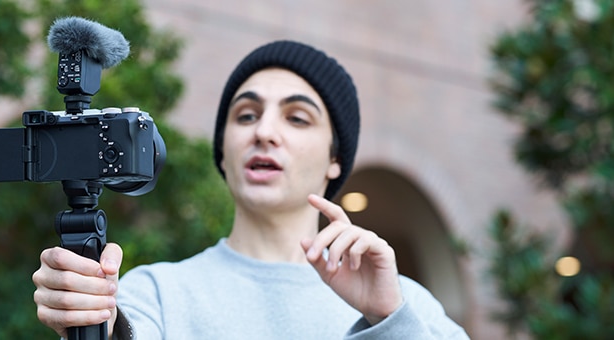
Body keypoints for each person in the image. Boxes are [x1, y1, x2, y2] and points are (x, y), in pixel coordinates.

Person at [32, 40, 470, 339]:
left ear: (337, 158)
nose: (264, 131)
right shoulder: (153, 295)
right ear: (223, 150)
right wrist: (94, 321)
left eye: (297, 118)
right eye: (245, 115)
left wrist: (389, 320)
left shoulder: (408, 303)